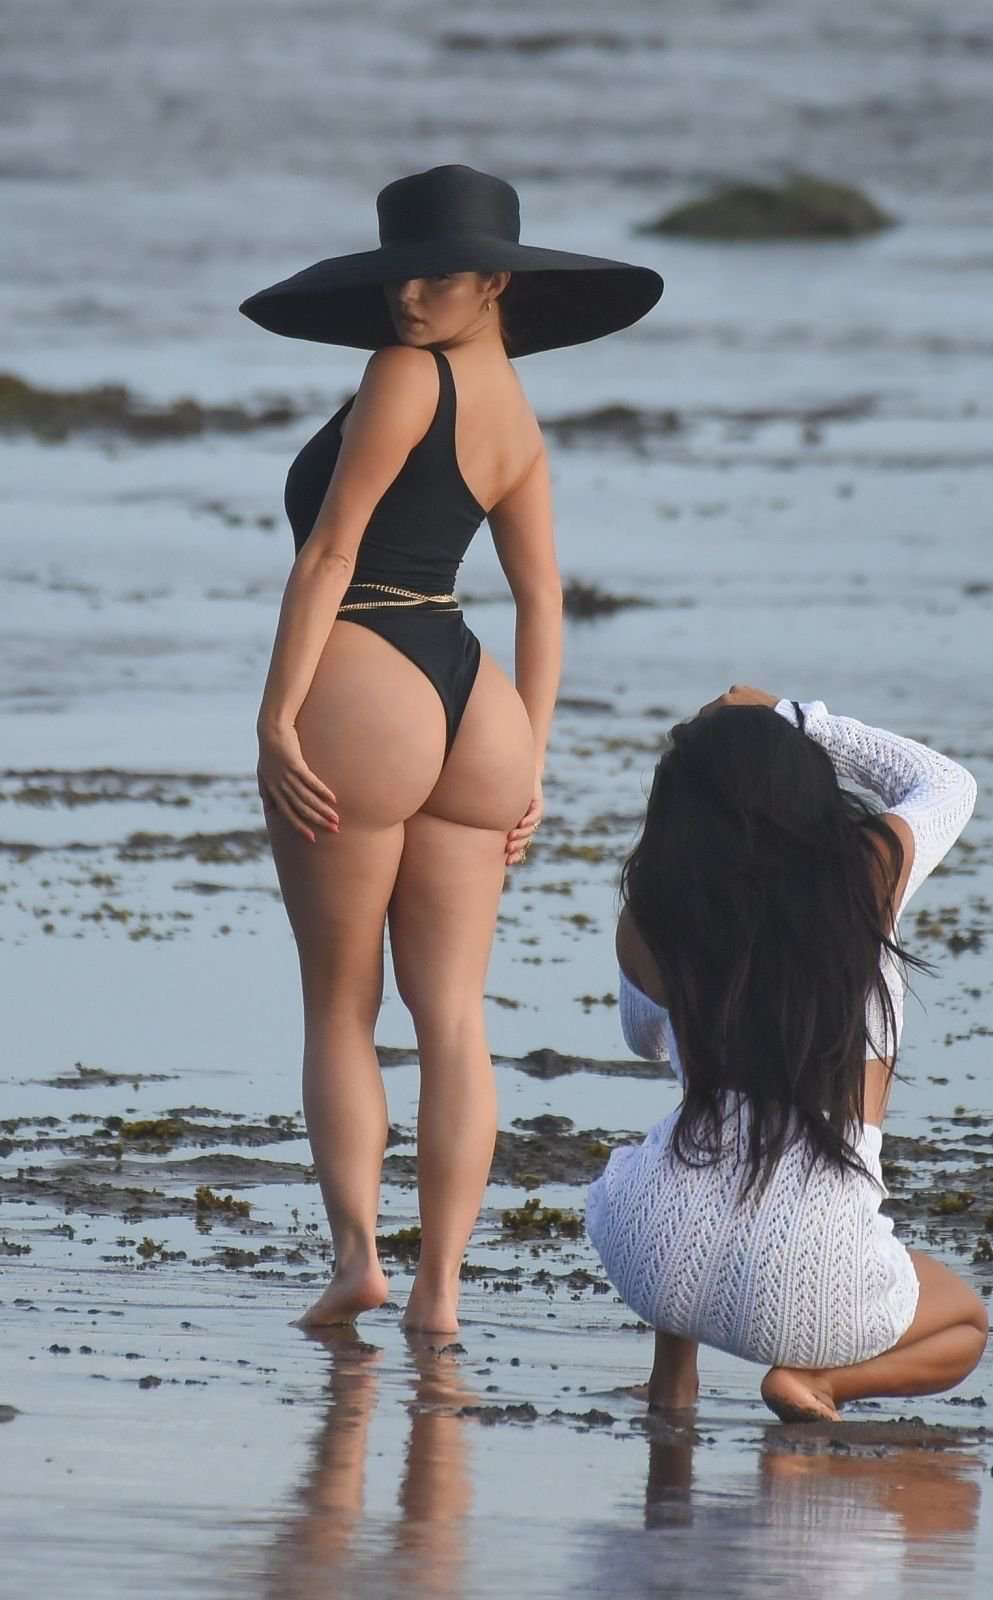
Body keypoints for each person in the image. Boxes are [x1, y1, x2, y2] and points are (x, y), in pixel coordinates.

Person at [240, 165, 662, 1330]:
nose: (410, 296)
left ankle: (358, 1262)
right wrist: (533, 757)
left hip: (367, 673)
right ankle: (441, 1290)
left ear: (495, 283)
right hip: (478, 702)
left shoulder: (400, 375)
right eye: (399, 277)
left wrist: (276, 716)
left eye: (437, 276)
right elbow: (543, 598)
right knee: (455, 1016)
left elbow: (331, 554)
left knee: (341, 1005)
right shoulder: (515, 412)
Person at [586, 685, 986, 1421]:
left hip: (647, 1251)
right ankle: (815, 1382)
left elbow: (645, 1040)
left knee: (696, 1138)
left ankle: (673, 1383)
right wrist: (798, 717)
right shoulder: (866, 876)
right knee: (966, 1323)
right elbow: (946, 784)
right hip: (819, 1272)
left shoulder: (651, 910)